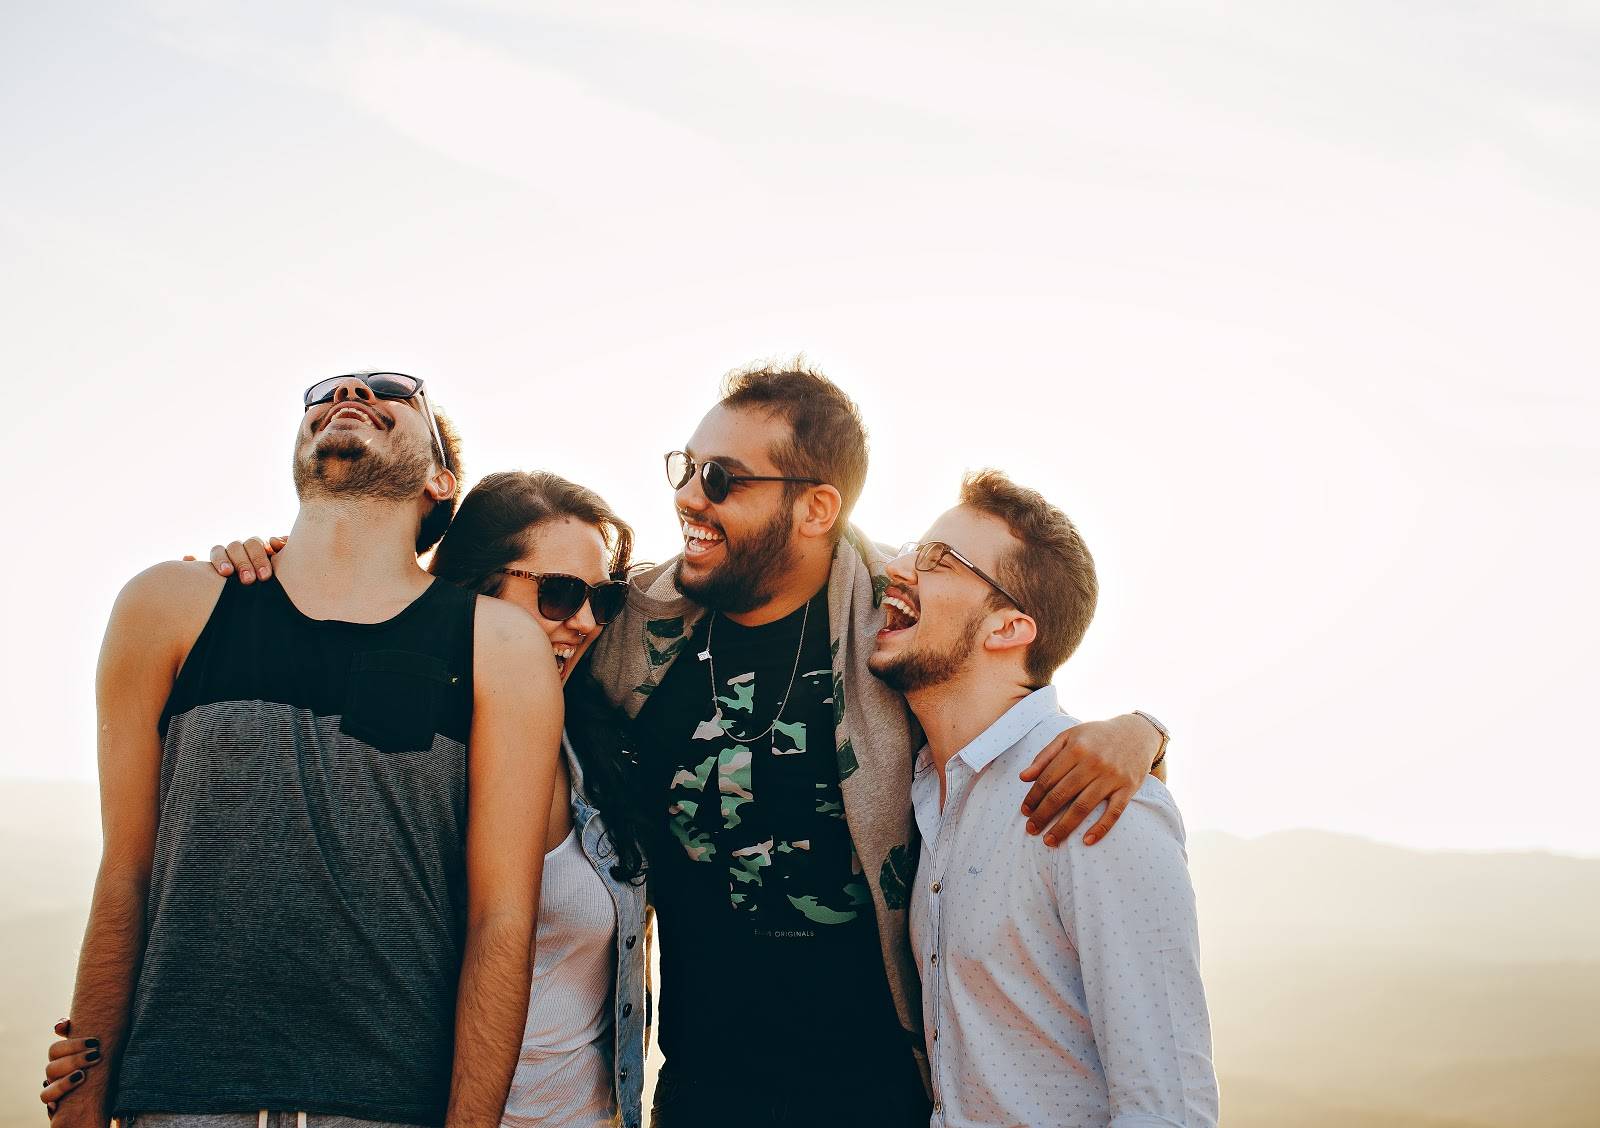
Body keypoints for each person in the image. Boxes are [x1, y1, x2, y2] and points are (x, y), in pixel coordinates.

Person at [586, 362, 1172, 1126]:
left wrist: (1142, 732)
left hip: (884, 1096)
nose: (690, 495)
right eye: (687, 468)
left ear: (816, 506)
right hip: (699, 1092)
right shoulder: (631, 624)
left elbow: (1009, 688)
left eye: (723, 477)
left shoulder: (894, 617)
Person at [47, 469, 654, 1128]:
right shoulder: (390, 756)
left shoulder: (601, 754)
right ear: (472, 591)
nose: (588, 621)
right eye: (561, 594)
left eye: (606, 598)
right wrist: (98, 1060)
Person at [870, 469, 1217, 1127]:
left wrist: (1147, 733)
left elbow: (1168, 1108)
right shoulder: (928, 795)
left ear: (1008, 629)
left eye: (939, 561)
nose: (897, 569)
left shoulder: (1098, 801)